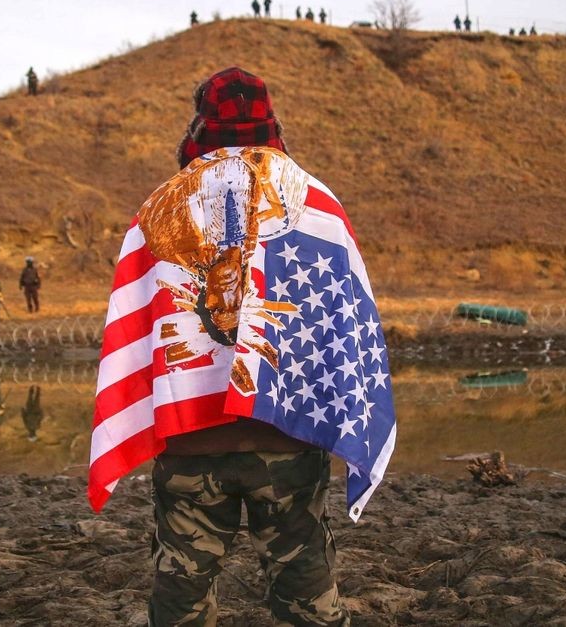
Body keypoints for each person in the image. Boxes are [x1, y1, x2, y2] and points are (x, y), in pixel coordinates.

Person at [90, 67, 396, 626]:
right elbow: (346, 326)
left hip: (190, 437)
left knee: (181, 592)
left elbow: (137, 323)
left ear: (201, 124)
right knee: (305, 581)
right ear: (271, 123)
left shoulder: (159, 207)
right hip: (286, 435)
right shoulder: (317, 205)